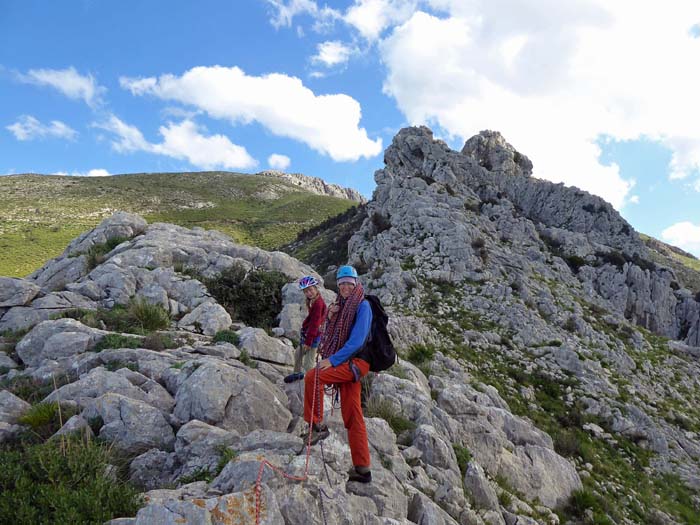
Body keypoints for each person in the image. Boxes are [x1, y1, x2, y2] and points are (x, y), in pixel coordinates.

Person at [303, 265, 373, 483]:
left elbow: (357, 341)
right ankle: (363, 469)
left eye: (348, 283)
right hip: (349, 363)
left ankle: (316, 427)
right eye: (341, 283)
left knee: (313, 377)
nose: (344, 287)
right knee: (353, 415)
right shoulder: (341, 306)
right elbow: (332, 332)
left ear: (355, 284)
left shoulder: (363, 306)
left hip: (356, 362)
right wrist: (331, 317)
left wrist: (331, 360)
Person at [284, 275, 327, 383]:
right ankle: (297, 374)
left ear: (316, 288)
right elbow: (311, 317)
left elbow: (315, 324)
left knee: (309, 362)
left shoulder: (318, 304)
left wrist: (308, 342)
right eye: (306, 291)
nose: (309, 293)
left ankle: (312, 382)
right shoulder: (312, 301)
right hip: (309, 334)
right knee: (298, 354)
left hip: (313, 337)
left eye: (310, 290)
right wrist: (304, 325)